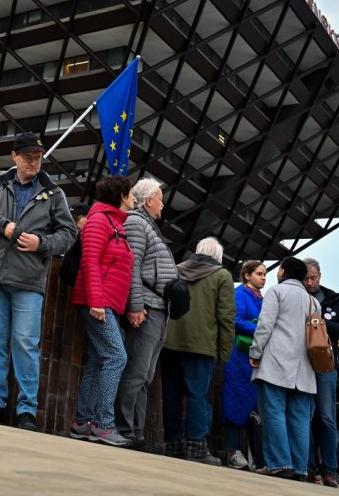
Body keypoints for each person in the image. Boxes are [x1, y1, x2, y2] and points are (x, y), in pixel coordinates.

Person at [0, 133, 76, 431]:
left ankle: (27, 410)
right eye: (28, 157)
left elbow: (69, 235)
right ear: (14, 156)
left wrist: (41, 243)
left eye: (38, 157)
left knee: (26, 344)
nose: (34, 162)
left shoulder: (54, 194)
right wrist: (3, 226)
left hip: (29, 280)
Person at [68, 176, 134, 447]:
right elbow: (90, 262)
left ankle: (82, 422)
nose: (134, 199)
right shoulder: (99, 221)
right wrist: (96, 300)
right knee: (117, 357)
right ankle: (103, 424)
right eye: (131, 194)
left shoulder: (115, 222)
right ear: (121, 195)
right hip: (97, 302)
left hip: (107, 303)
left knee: (99, 360)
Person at [114, 176, 177, 452]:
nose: (163, 204)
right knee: (136, 372)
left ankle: (136, 432)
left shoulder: (149, 225)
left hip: (159, 308)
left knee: (145, 375)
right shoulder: (138, 223)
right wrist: (136, 305)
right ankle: (125, 429)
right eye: (160, 198)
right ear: (149, 199)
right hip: (148, 307)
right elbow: (132, 267)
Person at [160, 236, 235, 464]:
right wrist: (224, 351)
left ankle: (172, 443)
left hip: (169, 342)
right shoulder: (222, 276)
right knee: (197, 396)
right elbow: (226, 316)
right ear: (218, 257)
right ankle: (196, 447)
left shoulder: (176, 269)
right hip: (201, 346)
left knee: (171, 395)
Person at [248, 256, 316, 481]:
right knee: (299, 418)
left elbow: (265, 325)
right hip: (305, 367)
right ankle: (300, 468)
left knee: (273, 411)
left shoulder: (276, 293)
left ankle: (279, 462)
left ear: (283, 272)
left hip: (277, 361)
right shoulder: (313, 301)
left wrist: (255, 352)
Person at [302, 257, 339, 486]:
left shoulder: (334, 300)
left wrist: (322, 323)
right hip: (302, 362)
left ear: (320, 275)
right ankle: (308, 466)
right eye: (305, 278)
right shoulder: (298, 297)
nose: (310, 282)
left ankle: (329, 469)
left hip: (326, 364)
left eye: (313, 278)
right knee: (304, 415)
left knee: (325, 416)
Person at [221, 260, 266, 470]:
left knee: (254, 410)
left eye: (264, 274)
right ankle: (232, 450)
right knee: (236, 403)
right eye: (259, 274)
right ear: (247, 275)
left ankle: (258, 457)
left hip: (257, 359)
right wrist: (260, 328)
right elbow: (235, 319)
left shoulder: (262, 298)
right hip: (240, 357)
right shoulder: (240, 294)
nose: (263, 277)